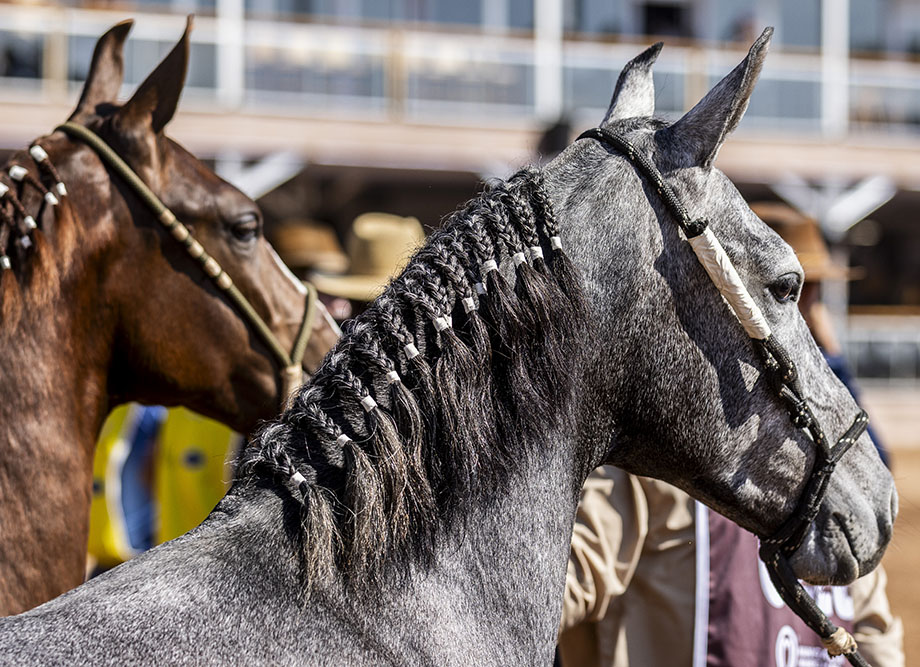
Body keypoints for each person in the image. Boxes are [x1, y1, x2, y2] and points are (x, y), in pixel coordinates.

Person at [559, 204, 903, 667]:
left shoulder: (831, 470)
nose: (814, 314)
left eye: (815, 292)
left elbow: (871, 625)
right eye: (795, 293)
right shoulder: (657, 451)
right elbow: (574, 577)